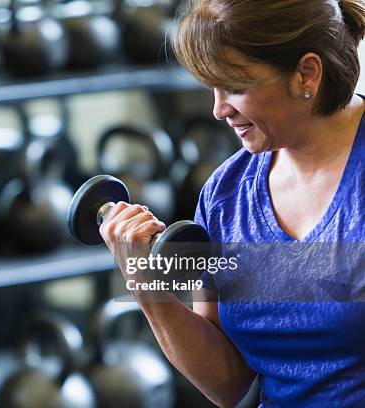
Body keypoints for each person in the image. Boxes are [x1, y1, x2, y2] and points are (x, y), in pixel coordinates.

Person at [99, 0, 365, 406]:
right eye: (212, 87)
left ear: (306, 73)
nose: (219, 109)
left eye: (235, 86)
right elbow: (229, 384)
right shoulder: (225, 195)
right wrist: (144, 283)